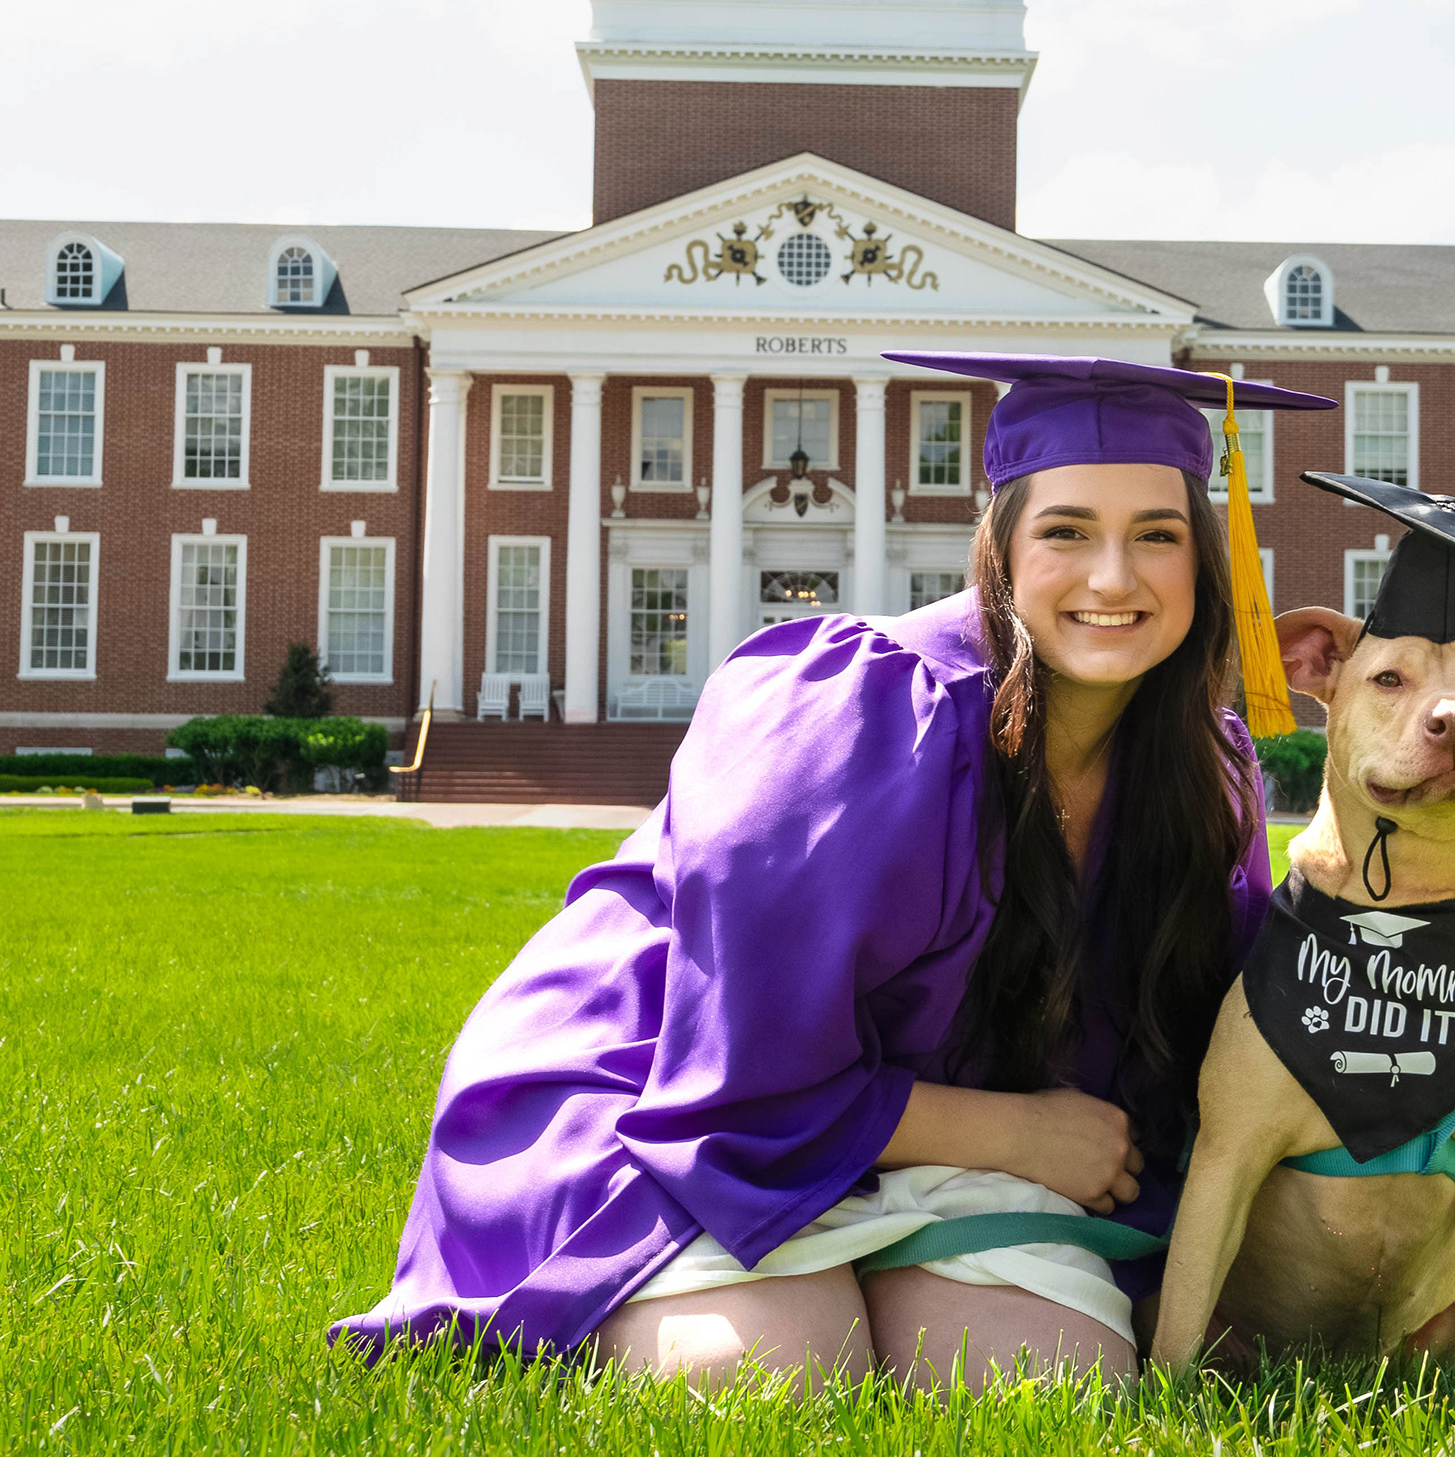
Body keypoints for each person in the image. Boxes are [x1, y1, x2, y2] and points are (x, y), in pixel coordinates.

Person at [332, 353, 1333, 1391]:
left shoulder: (1201, 777)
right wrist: (1018, 1133)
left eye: (1157, 537)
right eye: (1067, 530)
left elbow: (1211, 1062)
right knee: (768, 1377)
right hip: (674, 1102)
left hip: (959, 1138)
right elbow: (741, 1060)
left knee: (1041, 1390)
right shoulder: (857, 713)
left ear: (1204, 561)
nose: (1114, 578)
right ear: (999, 546)